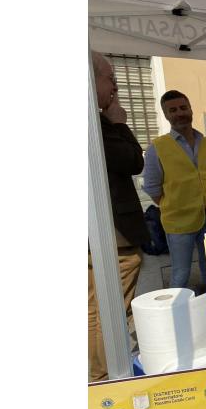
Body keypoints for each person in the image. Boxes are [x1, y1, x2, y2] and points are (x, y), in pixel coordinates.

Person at [88, 51, 150, 383]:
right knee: (108, 311)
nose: (115, 87)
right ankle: (105, 378)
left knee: (93, 310)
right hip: (112, 236)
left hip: (99, 235)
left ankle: (97, 375)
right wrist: (120, 123)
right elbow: (132, 161)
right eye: (110, 79)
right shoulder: (95, 121)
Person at [142, 90, 206, 291]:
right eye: (173, 110)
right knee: (181, 273)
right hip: (178, 221)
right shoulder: (157, 148)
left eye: (183, 108)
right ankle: (175, 307)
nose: (179, 113)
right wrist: (174, 204)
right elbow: (152, 188)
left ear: (190, 109)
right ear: (166, 115)